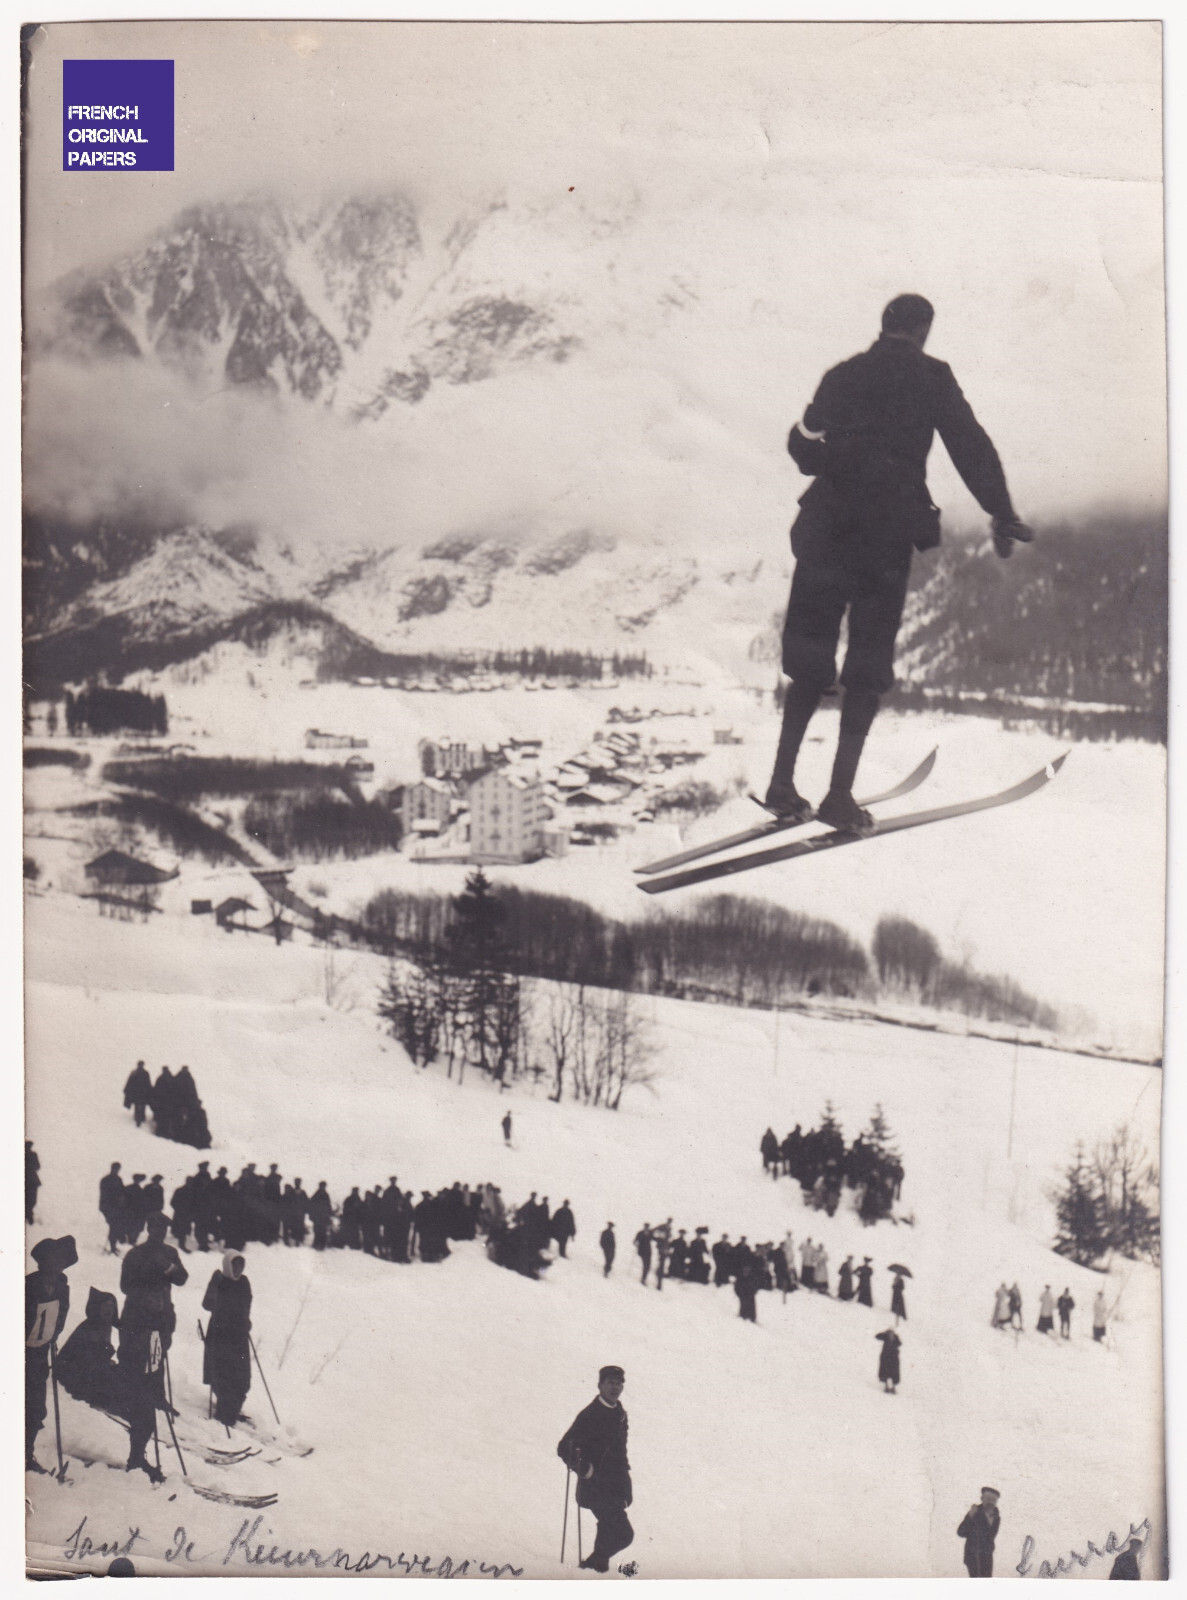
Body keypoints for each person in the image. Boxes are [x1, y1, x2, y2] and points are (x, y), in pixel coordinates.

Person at [763, 293, 1030, 833]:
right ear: (923, 330)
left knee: (809, 655)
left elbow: (805, 453)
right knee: (867, 662)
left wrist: (815, 444)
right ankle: (838, 795)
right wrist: (1001, 512)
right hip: (883, 536)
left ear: (883, 325)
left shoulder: (841, 375)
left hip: (825, 528)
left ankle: (781, 784)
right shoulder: (933, 377)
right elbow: (970, 446)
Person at [54, 1287, 163, 1483]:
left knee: (144, 1408)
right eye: (105, 1308)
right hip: (85, 1388)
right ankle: (136, 1461)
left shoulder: (102, 1327)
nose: (109, 1312)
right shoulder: (89, 1329)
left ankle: (137, 1460)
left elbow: (100, 1364)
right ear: (95, 1309)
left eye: (112, 1308)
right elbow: (81, 1366)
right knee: (142, 1410)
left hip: (98, 1384)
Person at [556, 1365, 633, 1574]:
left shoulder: (620, 1414)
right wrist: (584, 1469)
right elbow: (564, 1447)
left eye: (619, 1383)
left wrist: (626, 1487)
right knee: (624, 1534)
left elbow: (620, 1455)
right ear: (600, 1385)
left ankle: (593, 1568)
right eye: (610, 1383)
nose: (615, 1388)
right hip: (594, 1487)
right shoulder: (590, 1414)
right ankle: (593, 1564)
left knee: (610, 1528)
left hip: (614, 1487)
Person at [118, 1212, 188, 1404]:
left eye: (164, 1229)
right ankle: (130, 1399)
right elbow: (125, 1286)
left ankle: (157, 1398)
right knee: (135, 1354)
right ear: (149, 1229)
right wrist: (146, 1290)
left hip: (162, 1314)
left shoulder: (170, 1253)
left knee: (159, 1353)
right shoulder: (135, 1254)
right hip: (137, 1315)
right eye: (157, 1228)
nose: (161, 1232)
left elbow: (182, 1278)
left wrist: (169, 1268)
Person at [26, 1234, 77, 1473]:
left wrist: (54, 1335)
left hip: (40, 1353)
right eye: (52, 1261)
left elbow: (61, 1315)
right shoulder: (28, 1285)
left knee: (36, 1407)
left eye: (60, 1261)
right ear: (42, 1262)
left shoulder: (61, 1287)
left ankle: (26, 1455)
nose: (56, 1265)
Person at [202, 1251, 253, 1427]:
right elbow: (207, 1304)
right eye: (234, 1265)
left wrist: (246, 1322)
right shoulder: (219, 1280)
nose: (238, 1269)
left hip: (238, 1336)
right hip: (220, 1335)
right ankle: (224, 1411)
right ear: (227, 1265)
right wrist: (215, 1285)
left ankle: (233, 1408)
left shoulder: (244, 1283)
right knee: (222, 1374)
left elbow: (246, 1305)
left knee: (242, 1376)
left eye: (240, 1265)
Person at [957, 1487, 1001, 1577]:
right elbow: (961, 1532)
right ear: (982, 1499)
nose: (991, 1502)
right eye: (988, 1499)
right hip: (973, 1556)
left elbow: (991, 1537)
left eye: (993, 1500)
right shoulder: (975, 1512)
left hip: (987, 1556)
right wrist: (970, 1516)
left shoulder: (997, 1517)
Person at [123, 1060, 152, 1127]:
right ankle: (141, 1118)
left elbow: (129, 1083)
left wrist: (127, 1091)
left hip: (136, 1093)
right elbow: (148, 1084)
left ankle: (137, 1118)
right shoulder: (145, 1073)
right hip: (143, 1093)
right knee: (142, 1106)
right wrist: (150, 1092)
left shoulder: (134, 1072)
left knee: (137, 1106)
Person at [875, 1327, 902, 1393]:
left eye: (892, 1333)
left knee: (894, 1374)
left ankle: (893, 1388)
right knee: (885, 1373)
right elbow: (877, 1336)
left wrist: (895, 1337)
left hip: (893, 1358)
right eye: (889, 1333)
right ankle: (886, 1387)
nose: (891, 1334)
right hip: (886, 1358)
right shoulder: (885, 1337)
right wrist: (885, 1333)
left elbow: (899, 1343)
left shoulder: (896, 1339)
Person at [25, 1140, 41, 1225]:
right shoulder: (30, 1155)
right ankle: (28, 1215)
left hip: (32, 1181)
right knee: (29, 1200)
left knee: (32, 1200)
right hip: (29, 1181)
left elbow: (37, 1166)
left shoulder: (33, 1154)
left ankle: (29, 1214)